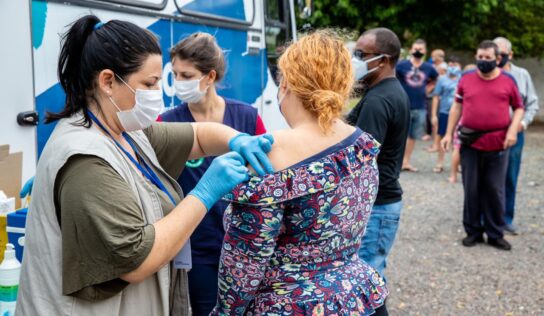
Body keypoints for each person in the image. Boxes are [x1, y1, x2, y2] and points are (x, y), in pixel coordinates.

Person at [16, 15, 275, 316]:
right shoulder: (86, 160)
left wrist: (237, 140)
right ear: (108, 81)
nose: (158, 93)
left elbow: (199, 136)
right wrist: (205, 192)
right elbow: (138, 260)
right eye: (149, 83)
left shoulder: (125, 131)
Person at [211, 31, 389, 316]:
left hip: (290, 306)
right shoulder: (361, 144)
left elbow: (244, 265)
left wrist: (225, 312)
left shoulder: (270, 155)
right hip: (357, 298)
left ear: (287, 83)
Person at [157, 32, 267, 315]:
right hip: (197, 245)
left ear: (209, 77)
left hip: (243, 242)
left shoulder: (247, 117)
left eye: (186, 75)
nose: (178, 82)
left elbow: (270, 175)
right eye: (176, 74)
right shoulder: (168, 123)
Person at [441, 40, 524, 251]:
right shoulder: (466, 79)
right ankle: (473, 231)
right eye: (480, 57)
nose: (483, 61)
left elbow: (519, 108)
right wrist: (448, 134)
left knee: (495, 190)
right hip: (470, 144)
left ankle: (495, 234)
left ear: (497, 59)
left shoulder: (508, 80)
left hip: (498, 144)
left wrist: (513, 130)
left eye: (488, 58)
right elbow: (456, 106)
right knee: (471, 188)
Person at [347, 27, 410, 279]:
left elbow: (361, 158)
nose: (355, 60)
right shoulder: (389, 91)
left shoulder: (378, 100)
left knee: (365, 281)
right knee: (368, 278)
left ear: (382, 60)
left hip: (377, 206)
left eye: (361, 54)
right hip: (381, 204)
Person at [494, 36, 539, 235]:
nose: (498, 58)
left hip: (515, 133)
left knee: (510, 177)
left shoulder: (522, 75)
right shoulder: (487, 74)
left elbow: (532, 103)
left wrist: (522, 123)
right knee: (488, 178)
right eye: (496, 54)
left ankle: (506, 219)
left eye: (502, 54)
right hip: (491, 134)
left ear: (510, 55)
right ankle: (485, 218)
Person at [397, 39, 439, 172]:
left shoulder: (429, 68)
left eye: (420, 49)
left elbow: (435, 79)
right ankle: (396, 162)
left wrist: (428, 89)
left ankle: (406, 162)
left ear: (425, 51)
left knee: (413, 136)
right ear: (411, 49)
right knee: (399, 135)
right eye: (415, 48)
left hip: (420, 106)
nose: (417, 51)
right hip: (403, 105)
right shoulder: (401, 66)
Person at [430, 57, 462, 173]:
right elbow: (435, 97)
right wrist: (434, 114)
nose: (453, 66)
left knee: (458, 138)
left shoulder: (462, 79)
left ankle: (457, 164)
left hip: (460, 113)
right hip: (444, 112)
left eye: (455, 64)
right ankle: (440, 162)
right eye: (451, 64)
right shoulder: (442, 79)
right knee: (441, 137)